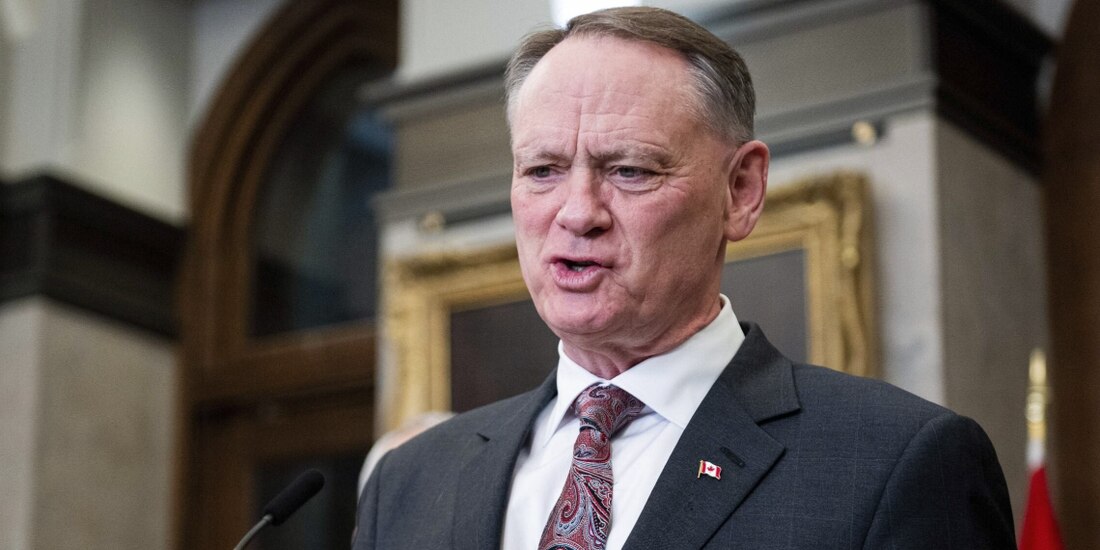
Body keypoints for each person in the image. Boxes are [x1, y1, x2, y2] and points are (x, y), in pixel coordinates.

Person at [353, 7, 1014, 549]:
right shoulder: (409, 484)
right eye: (542, 170)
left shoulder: (894, 463)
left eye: (630, 170)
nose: (577, 213)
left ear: (741, 190)